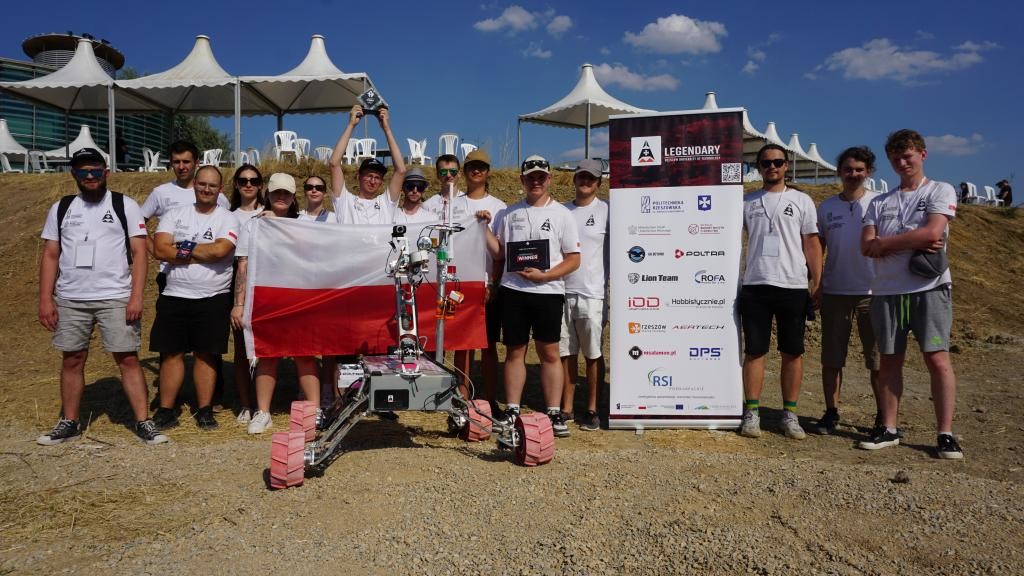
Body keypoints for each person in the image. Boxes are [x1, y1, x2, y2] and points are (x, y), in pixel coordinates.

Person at [37, 148, 166, 445]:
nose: (90, 176)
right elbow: (51, 254)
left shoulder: (125, 205)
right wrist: (45, 299)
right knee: (72, 359)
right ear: (74, 174)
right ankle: (69, 422)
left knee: (127, 358)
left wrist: (136, 297)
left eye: (95, 170)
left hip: (115, 296)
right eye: (83, 171)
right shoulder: (61, 208)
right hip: (71, 297)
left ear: (106, 172)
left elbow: (140, 253)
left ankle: (143, 422)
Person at [859, 129, 963, 459]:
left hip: (929, 289)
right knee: (889, 360)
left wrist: (886, 243)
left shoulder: (940, 190)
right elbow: (866, 246)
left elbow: (933, 232)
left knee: (937, 359)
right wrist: (910, 239)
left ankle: (945, 433)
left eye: (908, 156)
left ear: (922, 154)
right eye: (895, 158)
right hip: (887, 291)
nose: (902, 163)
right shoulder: (879, 202)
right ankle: (889, 428)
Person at [487, 155, 581, 439]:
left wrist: (546, 276)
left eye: (541, 177)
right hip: (513, 291)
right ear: (522, 180)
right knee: (514, 351)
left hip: (548, 292)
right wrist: (481, 228)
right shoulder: (508, 213)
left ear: (549, 179)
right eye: (531, 177)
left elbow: (573, 259)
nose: (536, 181)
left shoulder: (563, 214)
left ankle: (553, 412)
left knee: (549, 353)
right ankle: (512, 409)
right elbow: (499, 253)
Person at [739, 144, 822, 440]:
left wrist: (817, 280)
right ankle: (752, 412)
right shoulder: (747, 201)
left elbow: (811, 242)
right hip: (756, 284)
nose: (772, 167)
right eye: (765, 163)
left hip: (792, 285)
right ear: (759, 167)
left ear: (786, 165)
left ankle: (790, 413)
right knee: (754, 351)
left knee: (792, 352)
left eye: (777, 162)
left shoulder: (802, 200)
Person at [141, 140, 230, 411]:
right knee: (171, 347)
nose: (181, 166)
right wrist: (157, 251)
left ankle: (211, 399)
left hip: (210, 285)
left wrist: (179, 251)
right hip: (172, 279)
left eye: (186, 161)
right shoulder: (161, 193)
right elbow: (140, 223)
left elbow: (220, 248)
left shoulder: (220, 201)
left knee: (208, 348)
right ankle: (169, 400)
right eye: (176, 162)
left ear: (196, 163)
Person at [232, 173, 322, 434]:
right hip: (266, 297)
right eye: (276, 193)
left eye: (286, 193)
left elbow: (314, 255)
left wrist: (279, 225)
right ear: (268, 195)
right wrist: (239, 304)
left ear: (293, 196)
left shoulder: (306, 224)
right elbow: (243, 264)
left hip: (299, 297)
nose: (281, 197)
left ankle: (314, 411)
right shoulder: (253, 225)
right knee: (267, 355)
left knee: (304, 355)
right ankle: (263, 412)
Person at [814, 147, 881, 435]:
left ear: (869, 172)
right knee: (832, 358)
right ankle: (831, 412)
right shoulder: (826, 207)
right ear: (839, 171)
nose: (853, 174)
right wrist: (816, 283)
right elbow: (817, 247)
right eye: (848, 169)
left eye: (859, 170)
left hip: (874, 292)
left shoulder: (880, 202)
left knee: (878, 360)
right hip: (835, 290)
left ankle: (884, 417)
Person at [453, 149, 507, 410]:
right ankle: (462, 397)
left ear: (488, 172)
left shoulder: (500, 207)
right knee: (461, 345)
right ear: (464, 172)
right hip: (459, 284)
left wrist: (493, 284)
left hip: (485, 285)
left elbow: (500, 253)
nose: (476, 171)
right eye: (472, 167)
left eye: (481, 167)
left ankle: (489, 398)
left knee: (487, 345)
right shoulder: (454, 205)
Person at [559, 159, 609, 432]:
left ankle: (591, 409)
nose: (585, 181)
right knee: (566, 353)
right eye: (581, 176)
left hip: (592, 293)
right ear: (574, 179)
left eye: (591, 177)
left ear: (599, 183)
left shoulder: (607, 211)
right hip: (561, 291)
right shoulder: (561, 211)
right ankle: (566, 408)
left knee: (592, 353)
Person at [228, 164, 266, 424]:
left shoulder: (269, 213)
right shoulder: (228, 216)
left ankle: (263, 402)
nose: (248, 185)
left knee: (262, 348)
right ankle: (245, 403)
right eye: (243, 180)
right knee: (241, 348)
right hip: (236, 281)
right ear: (236, 184)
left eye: (253, 180)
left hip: (263, 282)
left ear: (260, 185)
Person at [328, 105, 405, 225]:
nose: (373, 181)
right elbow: (334, 164)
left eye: (377, 177)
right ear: (358, 176)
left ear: (381, 182)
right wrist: (351, 125)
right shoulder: (345, 201)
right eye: (369, 176)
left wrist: (387, 129)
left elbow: (401, 170)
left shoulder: (386, 203)